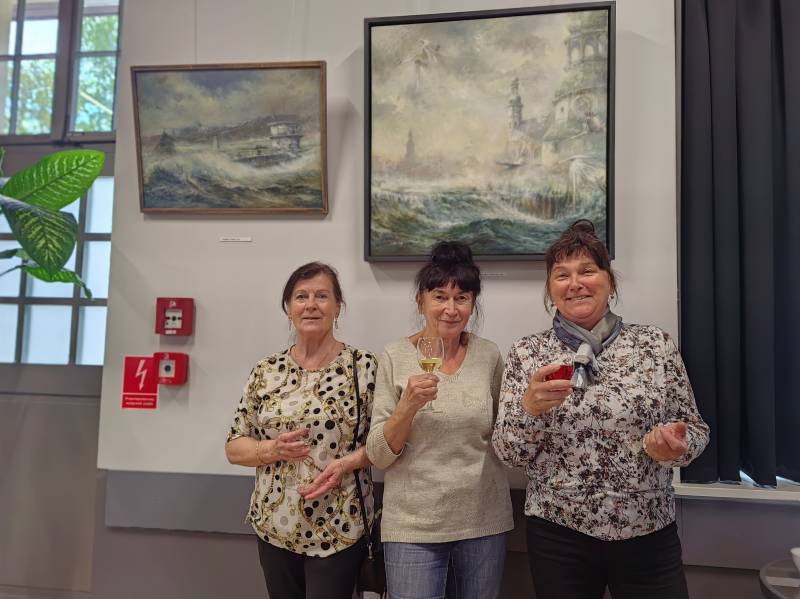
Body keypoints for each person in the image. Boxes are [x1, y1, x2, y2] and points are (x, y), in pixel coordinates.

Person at [492, 220, 709, 599]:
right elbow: (509, 453)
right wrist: (529, 409)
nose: (575, 283)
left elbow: (695, 430)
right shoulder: (528, 352)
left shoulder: (654, 345)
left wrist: (675, 446)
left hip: (647, 530)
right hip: (558, 534)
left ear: (611, 283)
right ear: (550, 290)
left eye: (587, 271)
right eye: (562, 275)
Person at [367, 241, 514, 599]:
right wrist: (407, 407)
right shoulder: (394, 356)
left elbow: (507, 437)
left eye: (461, 298)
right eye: (439, 297)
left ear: (472, 304)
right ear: (421, 301)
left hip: (483, 521)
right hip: (413, 527)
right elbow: (378, 455)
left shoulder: (489, 355)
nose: (451, 309)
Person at [225, 262, 377, 599]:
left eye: (322, 296)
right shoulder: (266, 370)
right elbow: (234, 446)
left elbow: (384, 444)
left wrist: (347, 463)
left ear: (338, 307)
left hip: (340, 525)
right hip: (274, 525)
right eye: (301, 297)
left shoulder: (363, 367)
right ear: (288, 308)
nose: (311, 305)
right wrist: (270, 449)